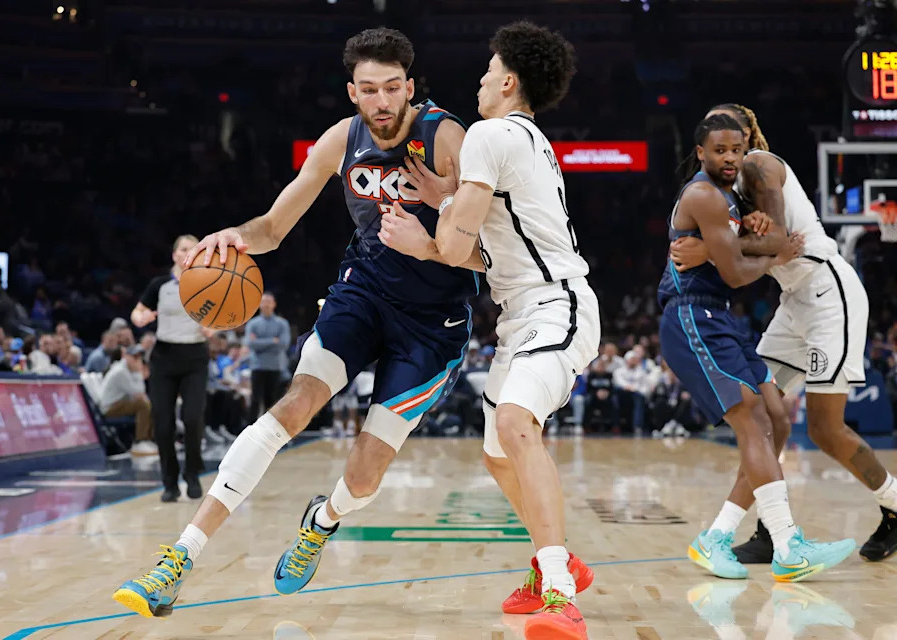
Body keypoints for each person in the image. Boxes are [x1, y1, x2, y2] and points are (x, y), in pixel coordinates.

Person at [112, 27, 481, 619]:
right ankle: (178, 559)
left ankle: (322, 521)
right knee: (294, 406)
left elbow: (488, 252)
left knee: (364, 477)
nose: (382, 101)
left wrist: (432, 237)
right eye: (369, 90)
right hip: (363, 295)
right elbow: (272, 228)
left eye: (392, 87)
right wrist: (235, 235)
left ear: (411, 87)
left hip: (432, 325)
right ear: (352, 93)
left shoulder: (448, 139)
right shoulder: (340, 140)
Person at [379, 21, 597, 638]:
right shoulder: (523, 139)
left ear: (508, 82)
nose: (479, 80)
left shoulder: (489, 133)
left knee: (515, 424)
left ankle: (559, 594)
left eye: (488, 70)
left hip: (555, 305)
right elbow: (487, 255)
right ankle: (560, 562)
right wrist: (447, 200)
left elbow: (453, 249)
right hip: (522, 312)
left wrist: (423, 239)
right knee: (498, 455)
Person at [670, 103, 897, 564]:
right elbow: (754, 247)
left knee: (824, 429)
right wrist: (721, 243)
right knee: (763, 417)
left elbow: (774, 238)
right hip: (793, 301)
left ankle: (894, 502)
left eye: (731, 134)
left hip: (828, 293)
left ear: (745, 135)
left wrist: (710, 249)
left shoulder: (761, 165)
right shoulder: (726, 190)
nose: (725, 145)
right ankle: (769, 532)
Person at [130, 235, 211, 502]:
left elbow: (221, 318)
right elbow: (137, 312)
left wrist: (213, 328)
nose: (188, 253)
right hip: (164, 357)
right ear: (175, 255)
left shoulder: (209, 283)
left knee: (192, 418)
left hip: (195, 356)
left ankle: (192, 473)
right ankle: (169, 482)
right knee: (163, 423)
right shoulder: (160, 285)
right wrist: (141, 318)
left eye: (193, 249)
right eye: (183, 249)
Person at [101, 344, 156, 456]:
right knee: (143, 405)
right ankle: (140, 441)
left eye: (139, 357)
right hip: (110, 408)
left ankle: (150, 440)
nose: (137, 360)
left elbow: (139, 393)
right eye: (134, 357)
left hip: (120, 403)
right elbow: (138, 392)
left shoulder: (127, 369)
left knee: (148, 403)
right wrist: (139, 372)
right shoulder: (120, 371)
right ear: (126, 356)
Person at [244, 292, 290, 419]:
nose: (266, 305)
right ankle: (251, 428)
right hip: (257, 366)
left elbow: (283, 344)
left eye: (269, 302)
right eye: (264, 302)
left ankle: (272, 429)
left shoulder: (282, 323)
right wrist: (273, 340)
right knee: (255, 400)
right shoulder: (253, 324)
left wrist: (260, 342)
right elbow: (250, 344)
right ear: (259, 304)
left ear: (274, 304)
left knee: (273, 402)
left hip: (275, 367)